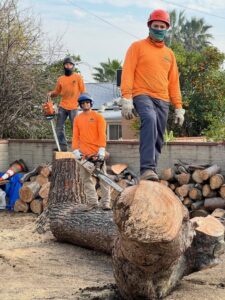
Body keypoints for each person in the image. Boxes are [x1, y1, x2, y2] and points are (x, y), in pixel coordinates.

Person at [120, 9, 185, 181]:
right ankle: (146, 168)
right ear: (149, 26)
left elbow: (173, 83)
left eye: (161, 26)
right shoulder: (137, 47)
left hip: (163, 99)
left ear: (166, 28)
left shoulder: (169, 54)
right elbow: (127, 72)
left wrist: (178, 107)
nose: (158, 29)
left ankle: (151, 172)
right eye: (155, 25)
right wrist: (126, 98)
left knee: (159, 136)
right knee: (149, 119)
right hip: (142, 94)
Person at [72, 93, 111, 210]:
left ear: (91, 103)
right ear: (80, 105)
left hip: (96, 153)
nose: (85, 105)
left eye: (87, 102)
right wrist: (75, 150)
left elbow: (102, 134)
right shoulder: (78, 119)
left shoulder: (98, 117)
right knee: (86, 179)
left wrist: (102, 149)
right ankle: (92, 202)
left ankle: (105, 202)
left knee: (103, 178)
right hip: (84, 155)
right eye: (83, 103)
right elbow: (75, 136)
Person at [47, 56, 86, 151]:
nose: (68, 66)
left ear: (73, 66)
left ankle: (79, 148)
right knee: (59, 128)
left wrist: (83, 104)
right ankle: (63, 147)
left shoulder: (77, 77)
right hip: (63, 106)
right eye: (66, 64)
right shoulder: (61, 79)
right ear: (64, 66)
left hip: (74, 107)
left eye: (70, 64)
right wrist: (51, 94)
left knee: (75, 128)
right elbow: (57, 92)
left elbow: (83, 91)